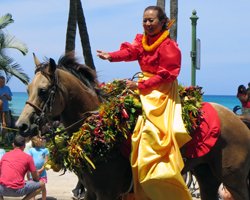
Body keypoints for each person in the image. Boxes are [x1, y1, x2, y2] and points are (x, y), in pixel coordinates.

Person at [97, 5, 192, 200]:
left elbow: (168, 74)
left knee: (152, 131)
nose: (147, 24)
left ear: (162, 21)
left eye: (151, 20)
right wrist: (111, 56)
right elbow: (130, 52)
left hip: (161, 90)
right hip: (142, 83)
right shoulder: (143, 41)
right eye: (145, 20)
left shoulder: (168, 45)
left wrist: (141, 85)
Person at [0, 135, 45, 200]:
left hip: (2, 189)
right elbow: (35, 177)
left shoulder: (5, 155)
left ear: (13, 145)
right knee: (42, 184)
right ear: (24, 146)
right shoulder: (28, 157)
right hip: (18, 190)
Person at [27, 136, 49, 200]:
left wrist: (41, 169)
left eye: (41, 139)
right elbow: (29, 161)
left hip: (42, 172)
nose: (41, 140)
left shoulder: (45, 150)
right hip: (32, 172)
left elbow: (46, 161)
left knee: (43, 187)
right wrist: (31, 172)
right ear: (35, 141)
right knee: (32, 189)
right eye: (39, 139)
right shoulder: (31, 150)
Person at [0, 76, 12, 145]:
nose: (3, 83)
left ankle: (4, 141)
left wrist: (7, 96)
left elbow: (10, 99)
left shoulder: (7, 88)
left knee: (6, 125)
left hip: (6, 110)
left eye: (3, 82)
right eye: (1, 82)